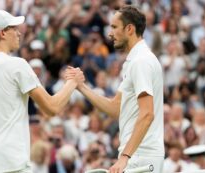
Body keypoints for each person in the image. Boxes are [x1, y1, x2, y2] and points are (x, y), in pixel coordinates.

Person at [0, 10, 84, 173]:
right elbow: (51, 108)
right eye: (14, 28)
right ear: (2, 33)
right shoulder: (17, 65)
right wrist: (72, 82)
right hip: (10, 163)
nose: (19, 33)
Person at [67, 5, 164, 173]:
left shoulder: (140, 61)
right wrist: (81, 87)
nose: (110, 33)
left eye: (114, 27)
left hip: (141, 156)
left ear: (130, 29)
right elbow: (115, 108)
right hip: (137, 155)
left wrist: (125, 157)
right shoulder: (135, 60)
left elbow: (147, 114)